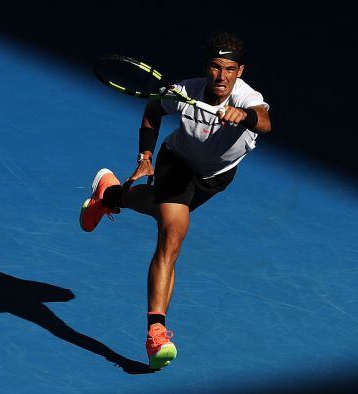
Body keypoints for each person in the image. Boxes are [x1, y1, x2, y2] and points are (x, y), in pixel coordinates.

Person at [79, 31, 272, 370]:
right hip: (177, 162)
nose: (221, 76)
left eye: (229, 69)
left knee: (158, 207)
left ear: (240, 70)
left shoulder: (247, 97)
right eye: (215, 67)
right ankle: (156, 332)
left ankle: (108, 195)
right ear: (206, 67)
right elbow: (154, 109)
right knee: (172, 233)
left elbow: (265, 122)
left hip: (215, 178)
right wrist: (145, 155)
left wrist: (245, 116)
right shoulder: (185, 92)